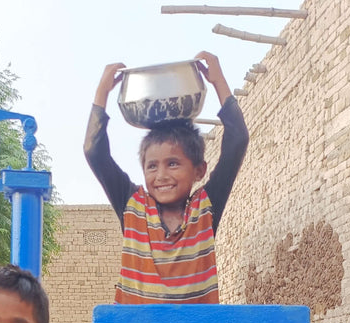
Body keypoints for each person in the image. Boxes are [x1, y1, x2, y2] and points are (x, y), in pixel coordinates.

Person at [84, 51, 248, 304]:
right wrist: (102, 93)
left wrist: (218, 81)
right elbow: (94, 152)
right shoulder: (132, 206)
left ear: (199, 170)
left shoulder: (205, 209)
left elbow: (237, 140)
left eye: (173, 164)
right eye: (152, 166)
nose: (161, 176)